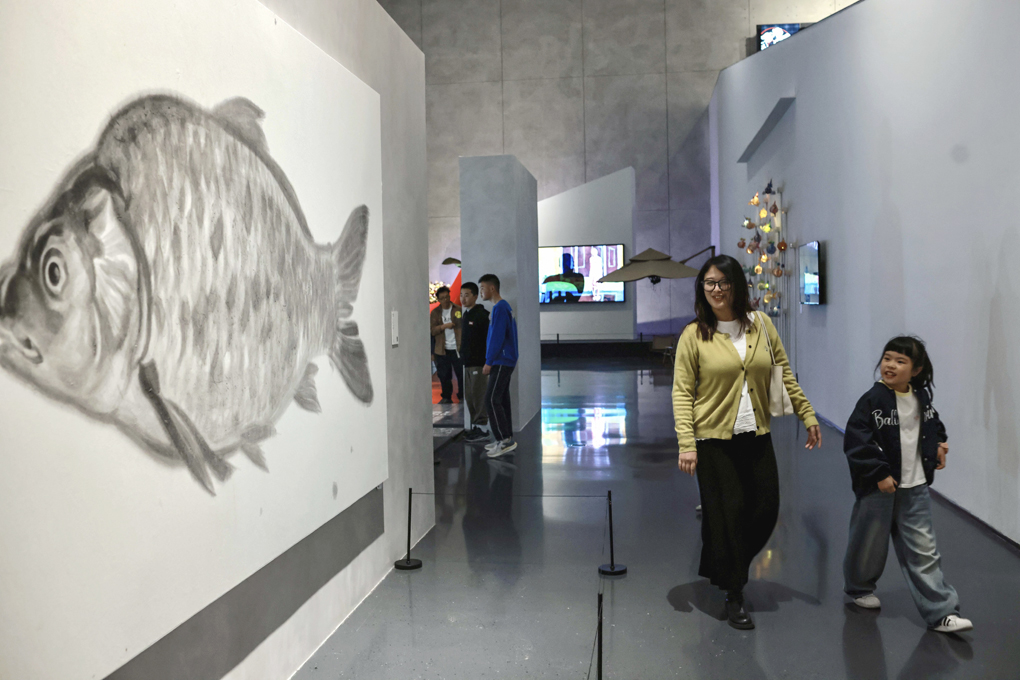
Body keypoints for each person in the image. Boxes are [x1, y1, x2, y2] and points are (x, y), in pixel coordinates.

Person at [672, 254, 821, 630]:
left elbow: (783, 372)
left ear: (737, 285)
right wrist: (686, 442)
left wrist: (807, 414)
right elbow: (682, 392)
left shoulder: (761, 324)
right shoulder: (694, 334)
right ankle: (734, 591)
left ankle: (724, 560)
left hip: (755, 434)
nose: (716, 290)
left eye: (723, 282)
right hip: (712, 439)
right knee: (729, 513)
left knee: (766, 508)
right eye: (709, 283)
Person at [842, 336, 972, 633]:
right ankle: (859, 587)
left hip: (916, 486)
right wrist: (879, 473)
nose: (890, 365)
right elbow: (857, 440)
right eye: (887, 358)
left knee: (924, 550)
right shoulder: (872, 400)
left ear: (916, 370)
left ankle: (942, 612)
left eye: (900, 361)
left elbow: (932, 423)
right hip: (879, 488)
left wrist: (939, 442)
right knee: (868, 543)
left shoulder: (921, 397)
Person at [479, 274, 518, 458]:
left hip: (501, 360)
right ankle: (505, 437)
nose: (481, 292)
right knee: (501, 399)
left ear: (492, 288)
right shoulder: (503, 307)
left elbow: (497, 337)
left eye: (482, 288)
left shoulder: (500, 308)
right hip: (504, 359)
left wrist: (489, 361)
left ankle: (503, 440)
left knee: (491, 399)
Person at [459, 282, 491, 442]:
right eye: (461, 295)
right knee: (470, 396)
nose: (463, 299)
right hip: (468, 363)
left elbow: (488, 340)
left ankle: (483, 429)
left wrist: (488, 362)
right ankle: (476, 427)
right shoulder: (466, 315)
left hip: (479, 363)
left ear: (475, 296)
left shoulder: (482, 315)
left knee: (479, 396)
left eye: (466, 295)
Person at [429, 286, 462, 404]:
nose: (445, 300)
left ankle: (462, 396)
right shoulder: (435, 313)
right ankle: (446, 397)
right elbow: (432, 331)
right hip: (441, 349)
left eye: (447, 297)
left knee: (460, 374)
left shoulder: (458, 310)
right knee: (444, 375)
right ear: (438, 300)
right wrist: (444, 326)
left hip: (457, 347)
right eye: (442, 298)